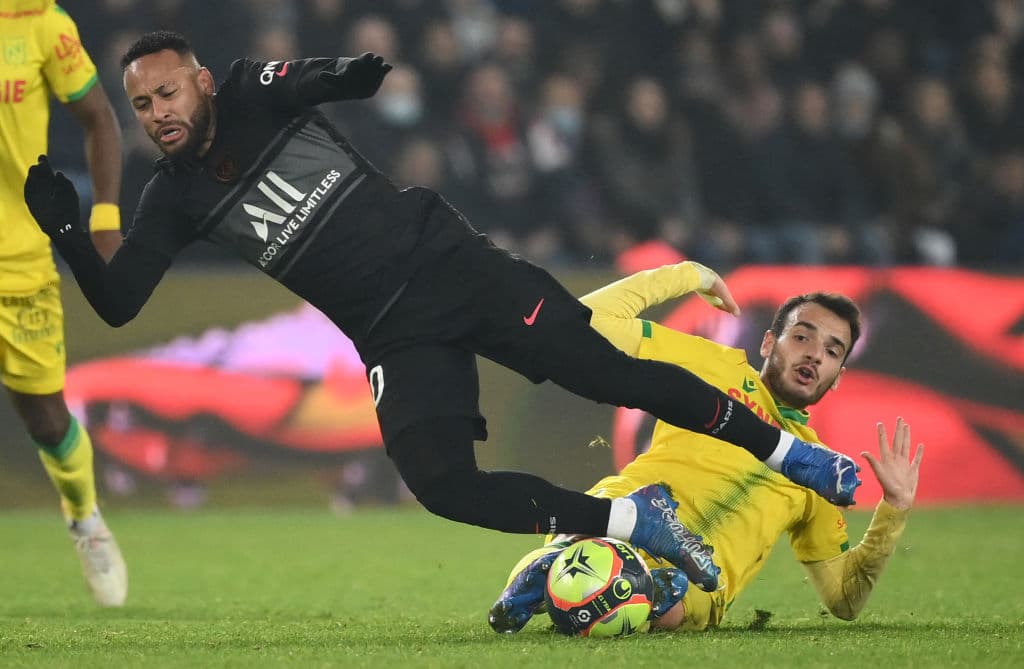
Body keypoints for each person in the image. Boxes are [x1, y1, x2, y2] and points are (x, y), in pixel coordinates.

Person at [23, 31, 861, 594]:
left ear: (199, 82)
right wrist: (67, 226)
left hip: (452, 266)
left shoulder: (248, 93)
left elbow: (309, 79)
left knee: (613, 375)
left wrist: (349, 76)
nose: (159, 113)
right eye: (142, 105)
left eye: (167, 92)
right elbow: (120, 302)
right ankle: (636, 518)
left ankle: (792, 454)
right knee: (444, 486)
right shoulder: (170, 199)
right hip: (393, 331)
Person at [488, 261, 923, 633]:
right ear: (769, 343)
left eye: (832, 350)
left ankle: (564, 573)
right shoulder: (712, 364)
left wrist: (894, 508)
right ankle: (575, 563)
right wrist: (688, 274)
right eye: (802, 337)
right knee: (605, 551)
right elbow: (588, 319)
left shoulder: (817, 470)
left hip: (692, 585)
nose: (814, 356)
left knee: (664, 597)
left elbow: (844, 599)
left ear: (839, 374)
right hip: (626, 512)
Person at [0, 1, 126, 606]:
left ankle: (85, 516)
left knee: (47, 421)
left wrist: (104, 221)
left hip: (18, 260)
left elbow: (100, 119)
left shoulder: (38, 21)